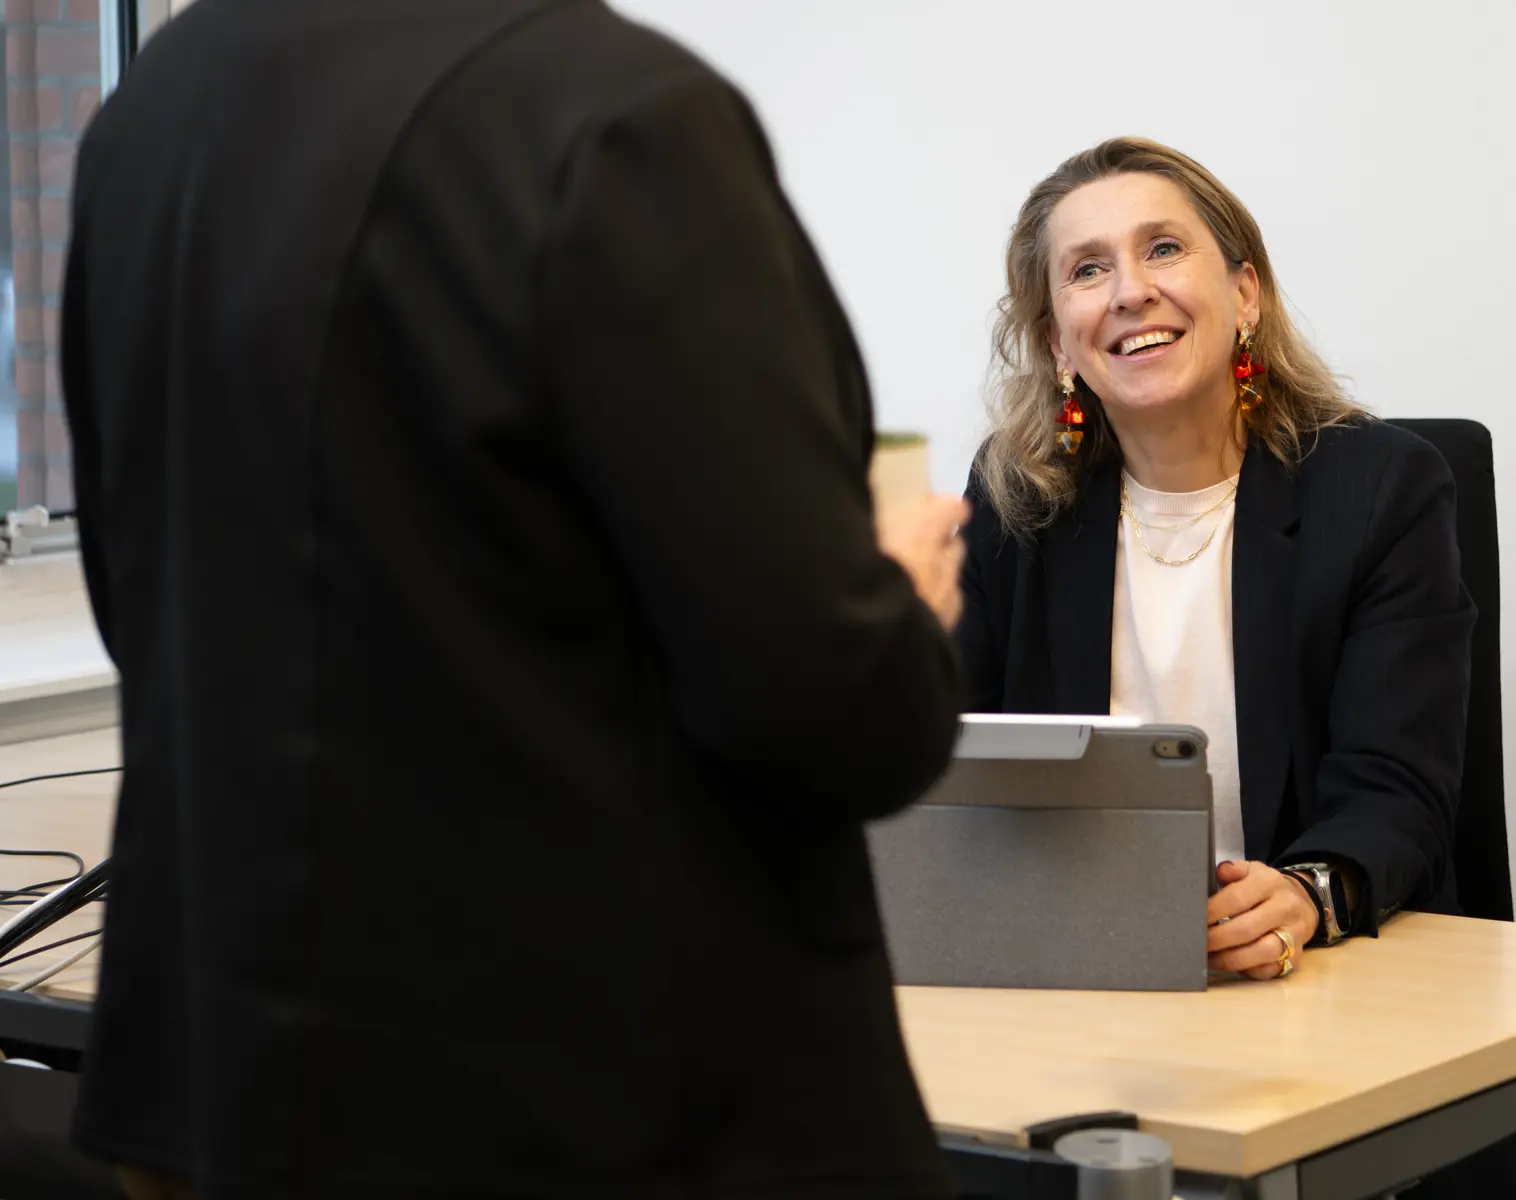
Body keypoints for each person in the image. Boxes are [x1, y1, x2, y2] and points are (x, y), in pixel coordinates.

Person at [61, 2, 967, 1197]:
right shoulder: (622, 121)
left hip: (233, 1087)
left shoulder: (150, 110)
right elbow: (828, 699)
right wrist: (898, 600)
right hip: (600, 1108)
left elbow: (142, 607)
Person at [955, 137, 1516, 1199]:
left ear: (1245, 292)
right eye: (1087, 269)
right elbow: (949, 772)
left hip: (1338, 994)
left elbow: (1398, 786)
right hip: (1089, 1007)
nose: (1129, 291)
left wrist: (1307, 891)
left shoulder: (1381, 490)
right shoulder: (1019, 510)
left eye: (1163, 248)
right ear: (1056, 338)